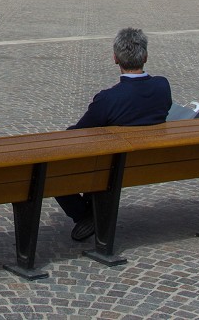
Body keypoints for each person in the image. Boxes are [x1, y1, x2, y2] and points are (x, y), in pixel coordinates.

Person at [55, 28, 172, 241]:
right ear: (145, 56)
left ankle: (84, 215)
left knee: (52, 172)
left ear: (115, 58)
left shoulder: (108, 99)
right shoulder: (162, 86)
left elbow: (79, 133)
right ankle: (90, 213)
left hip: (109, 167)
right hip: (147, 164)